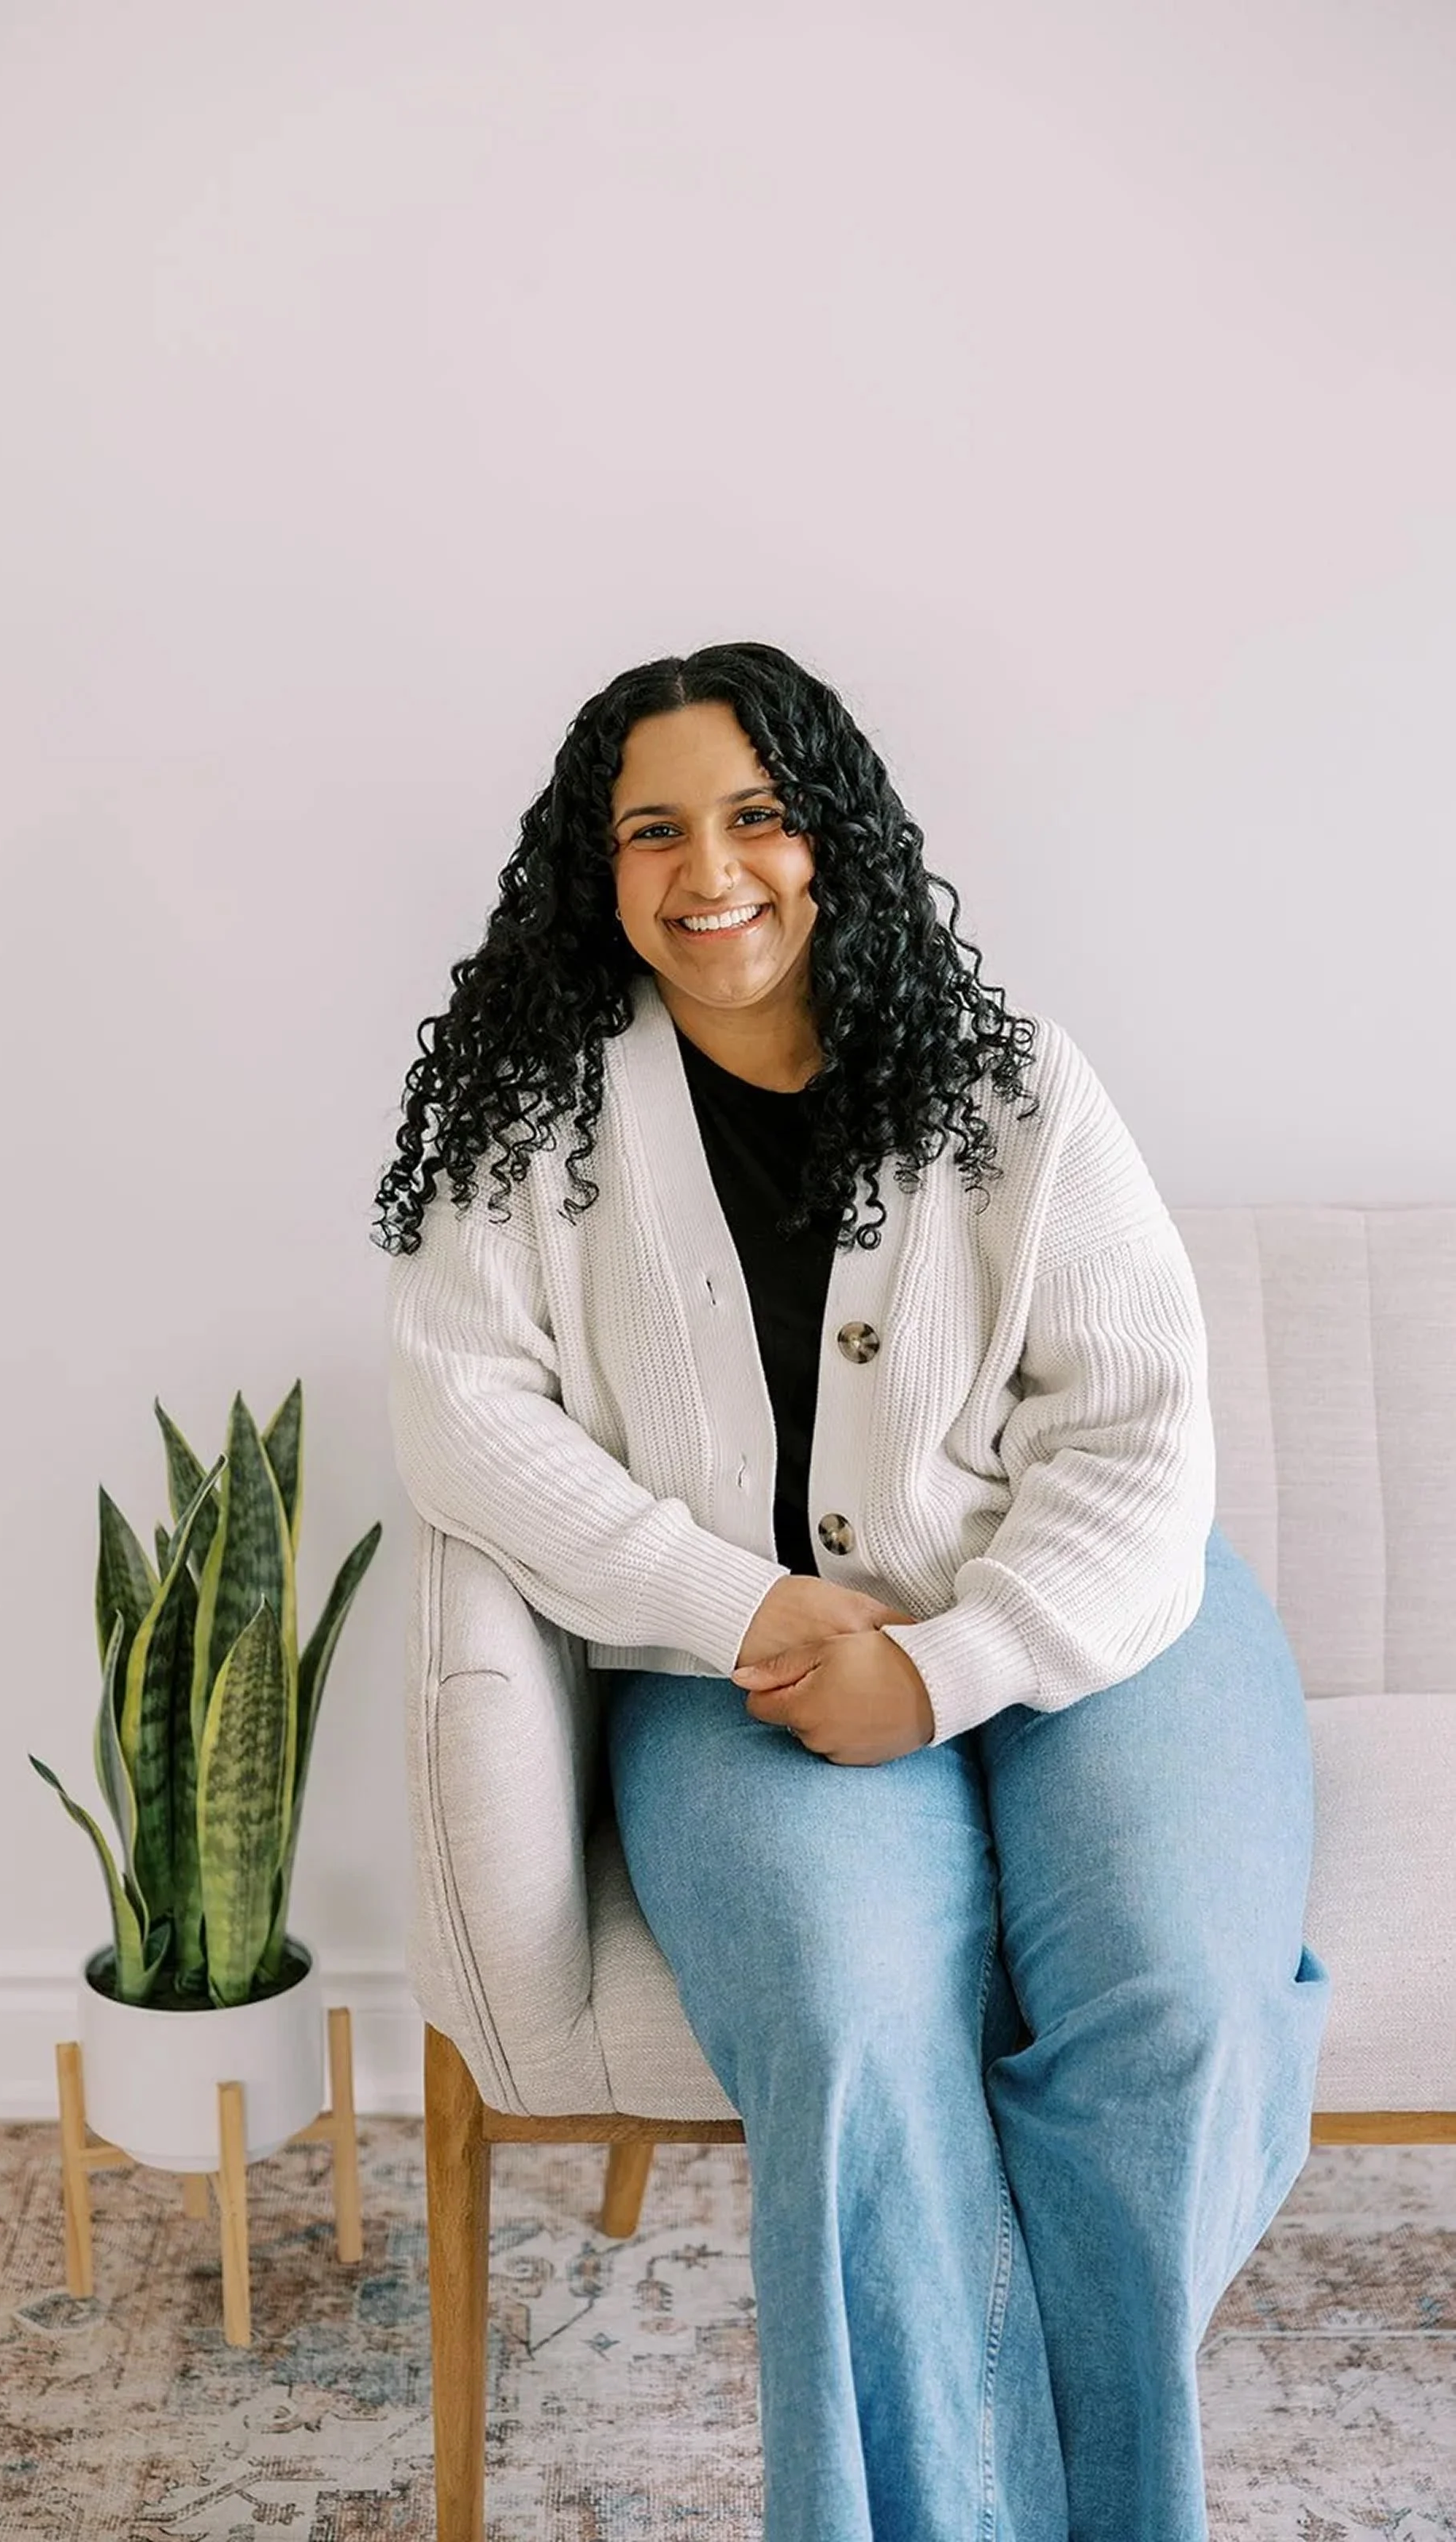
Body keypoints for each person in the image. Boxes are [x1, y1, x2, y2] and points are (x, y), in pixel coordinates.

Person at [374, 639, 1331, 2542]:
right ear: (596, 866)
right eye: (651, 829)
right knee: (847, 2018)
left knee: (1185, 2009)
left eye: (752, 814)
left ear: (832, 840)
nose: (706, 867)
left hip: (1097, 1626)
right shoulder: (528, 1125)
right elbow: (459, 1416)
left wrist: (956, 1664)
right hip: (733, 1681)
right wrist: (737, 1606)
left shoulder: (1008, 1086)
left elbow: (1139, 1434)